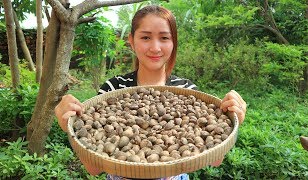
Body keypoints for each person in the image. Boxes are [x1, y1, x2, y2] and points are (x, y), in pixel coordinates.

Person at [55, 5, 247, 180]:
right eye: (145, 37)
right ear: (131, 41)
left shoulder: (188, 92)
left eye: (164, 38)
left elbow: (213, 160)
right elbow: (94, 169)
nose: (155, 47)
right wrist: (69, 126)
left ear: (173, 43)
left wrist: (233, 119)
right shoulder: (112, 90)